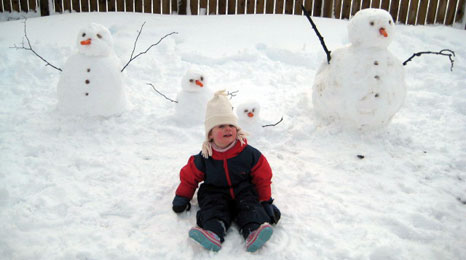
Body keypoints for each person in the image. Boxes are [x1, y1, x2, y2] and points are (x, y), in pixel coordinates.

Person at [172, 90, 281, 252]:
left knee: (249, 206)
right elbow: (190, 177)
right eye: (221, 126)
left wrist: (265, 201)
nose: (227, 129)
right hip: (215, 191)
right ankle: (213, 233)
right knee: (213, 208)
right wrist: (182, 197)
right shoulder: (205, 156)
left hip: (243, 189)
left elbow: (262, 177)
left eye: (231, 125)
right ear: (210, 134)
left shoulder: (248, 153)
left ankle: (253, 232)